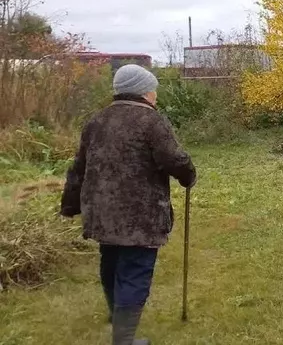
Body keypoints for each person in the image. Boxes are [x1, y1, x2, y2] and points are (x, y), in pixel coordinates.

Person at [60, 64, 196, 345]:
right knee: (134, 271)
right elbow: (174, 159)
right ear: (144, 91)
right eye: (153, 89)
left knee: (111, 264)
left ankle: (117, 316)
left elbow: (78, 168)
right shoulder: (150, 121)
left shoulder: (96, 121)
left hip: (102, 213)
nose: (155, 95)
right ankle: (124, 339)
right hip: (140, 215)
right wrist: (188, 176)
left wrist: (71, 204)